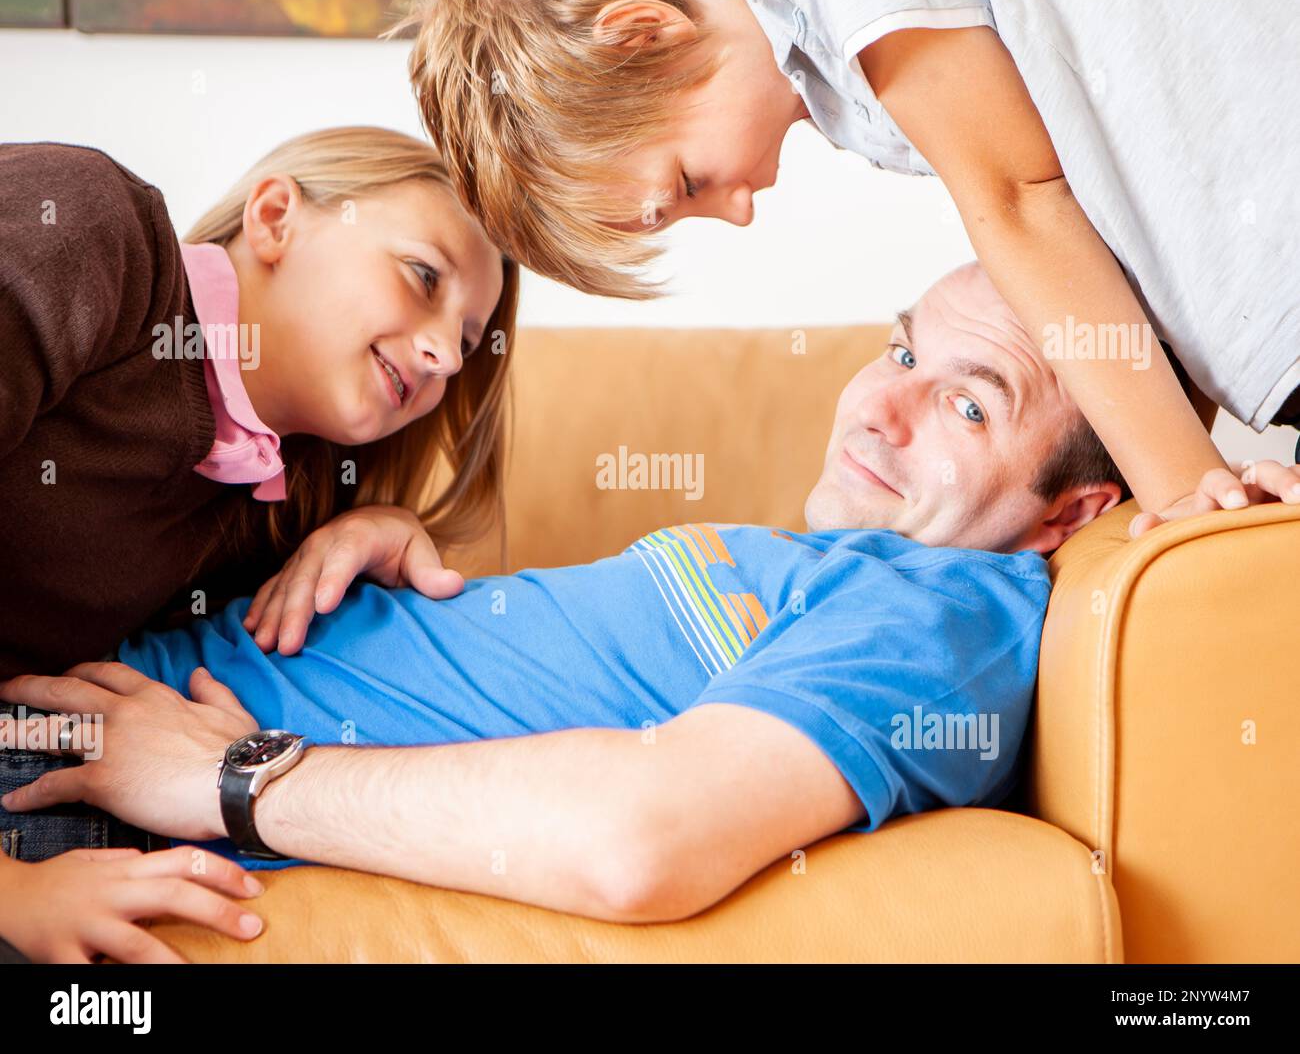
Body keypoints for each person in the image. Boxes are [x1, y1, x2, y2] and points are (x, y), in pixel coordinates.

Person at [20, 260, 1299, 940]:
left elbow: (642, 838)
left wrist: (229, 775)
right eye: (903, 348)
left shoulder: (943, 619)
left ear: (1076, 509)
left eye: (971, 401)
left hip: (91, 794)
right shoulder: (850, 564)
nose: (881, 404)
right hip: (100, 698)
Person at [394, 0, 1300, 532]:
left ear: (644, 35)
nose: (737, 210)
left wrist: (1188, 501)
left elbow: (1022, 199)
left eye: (688, 182)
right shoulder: (837, 73)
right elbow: (1122, 231)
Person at [0, 126, 517, 962]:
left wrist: (376, 533)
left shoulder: (261, 500)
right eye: (423, 277)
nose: (438, 359)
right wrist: (11, 892)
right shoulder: (93, 227)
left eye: (462, 344)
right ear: (276, 217)